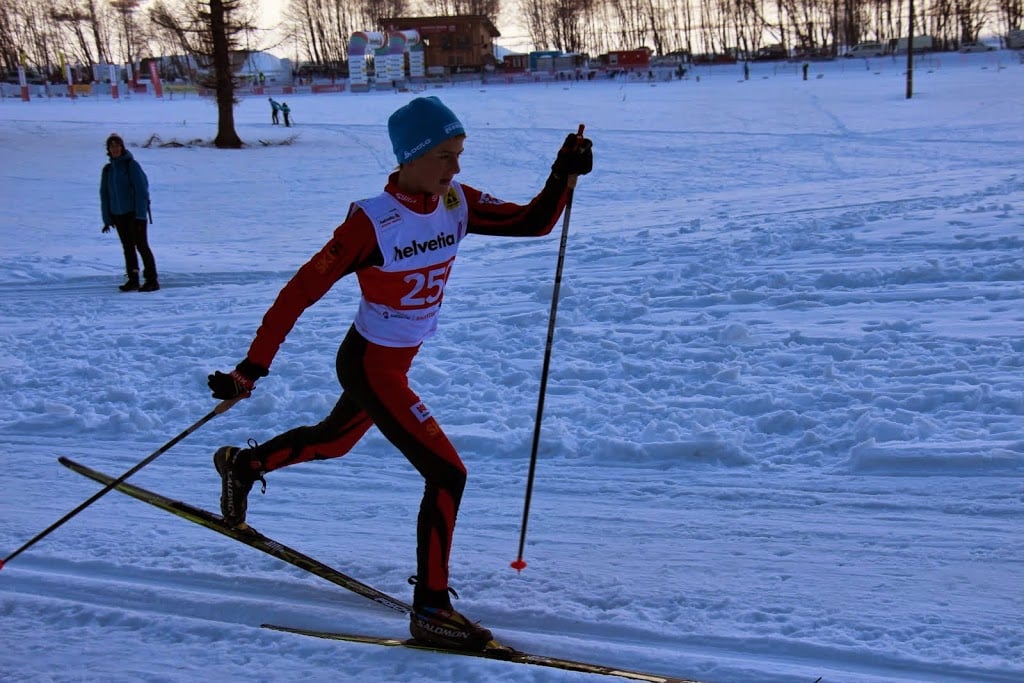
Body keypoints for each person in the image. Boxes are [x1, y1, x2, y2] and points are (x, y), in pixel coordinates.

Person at [207, 96, 593, 651]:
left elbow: (532, 222)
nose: (455, 168)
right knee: (447, 474)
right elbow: (298, 294)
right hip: (369, 364)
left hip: (394, 361)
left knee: (334, 442)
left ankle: (243, 464)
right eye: (443, 155)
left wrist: (562, 173)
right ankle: (432, 610)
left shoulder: (455, 201)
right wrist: (252, 368)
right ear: (410, 156)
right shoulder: (372, 222)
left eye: (459, 154)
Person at [100, 133, 159, 292]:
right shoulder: (108, 170)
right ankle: (133, 279)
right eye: (112, 146)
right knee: (128, 247)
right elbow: (104, 195)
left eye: (117, 145)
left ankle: (152, 279)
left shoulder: (131, 165)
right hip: (119, 215)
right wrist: (107, 218)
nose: (115, 149)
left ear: (122, 147)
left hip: (134, 214)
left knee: (141, 245)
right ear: (108, 150)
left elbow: (142, 191)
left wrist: (140, 215)